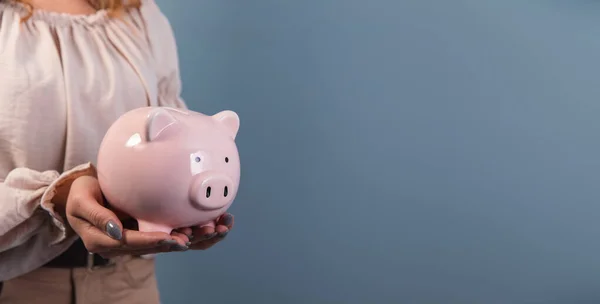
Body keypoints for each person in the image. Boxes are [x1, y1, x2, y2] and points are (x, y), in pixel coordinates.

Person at [0, 0, 235, 303]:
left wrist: (182, 213)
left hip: (130, 284)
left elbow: (176, 131)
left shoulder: (139, 15)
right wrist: (58, 195)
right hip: (16, 283)